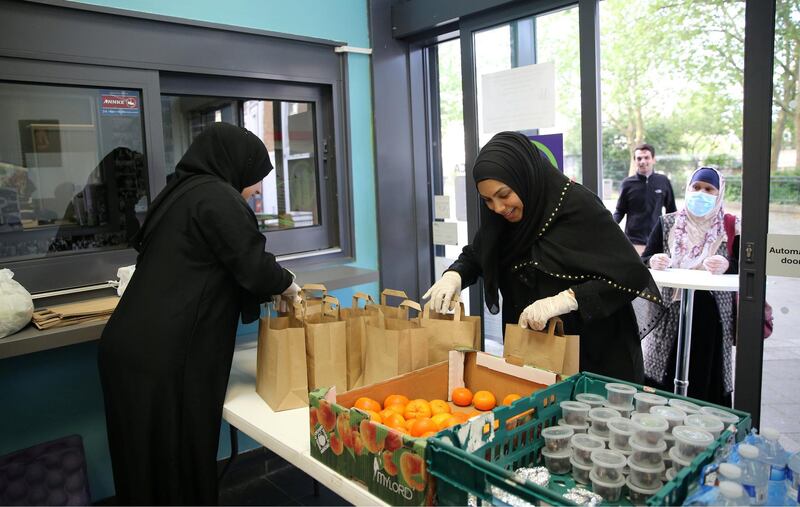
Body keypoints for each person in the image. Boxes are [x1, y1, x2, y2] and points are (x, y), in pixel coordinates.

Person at [97, 123, 300, 505]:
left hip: (129, 349)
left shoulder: (180, 193)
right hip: (164, 358)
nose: (256, 190)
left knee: (141, 464)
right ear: (234, 164)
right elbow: (252, 266)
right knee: (178, 462)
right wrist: (288, 283)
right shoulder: (216, 198)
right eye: (255, 178)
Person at [423, 131, 663, 383]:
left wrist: (567, 300)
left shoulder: (578, 207)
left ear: (525, 178)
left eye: (504, 195)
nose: (498, 208)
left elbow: (631, 274)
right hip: (534, 349)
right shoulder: (501, 219)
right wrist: (455, 275)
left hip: (595, 353)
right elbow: (481, 252)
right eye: (488, 200)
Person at [641, 167, 738, 406]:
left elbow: (745, 265)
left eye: (708, 189)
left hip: (711, 317)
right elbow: (644, 259)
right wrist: (653, 261)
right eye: (696, 187)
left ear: (719, 193)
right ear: (688, 188)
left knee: (703, 376)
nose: (701, 194)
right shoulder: (668, 223)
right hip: (670, 313)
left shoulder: (729, 228)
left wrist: (727, 264)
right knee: (664, 373)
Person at [613, 143, 677, 254]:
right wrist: (609, 226)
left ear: (653, 160)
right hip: (633, 242)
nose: (643, 161)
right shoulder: (627, 183)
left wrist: (672, 237)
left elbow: (671, 211)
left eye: (646, 157)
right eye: (639, 158)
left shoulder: (663, 181)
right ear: (635, 161)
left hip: (657, 240)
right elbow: (620, 211)